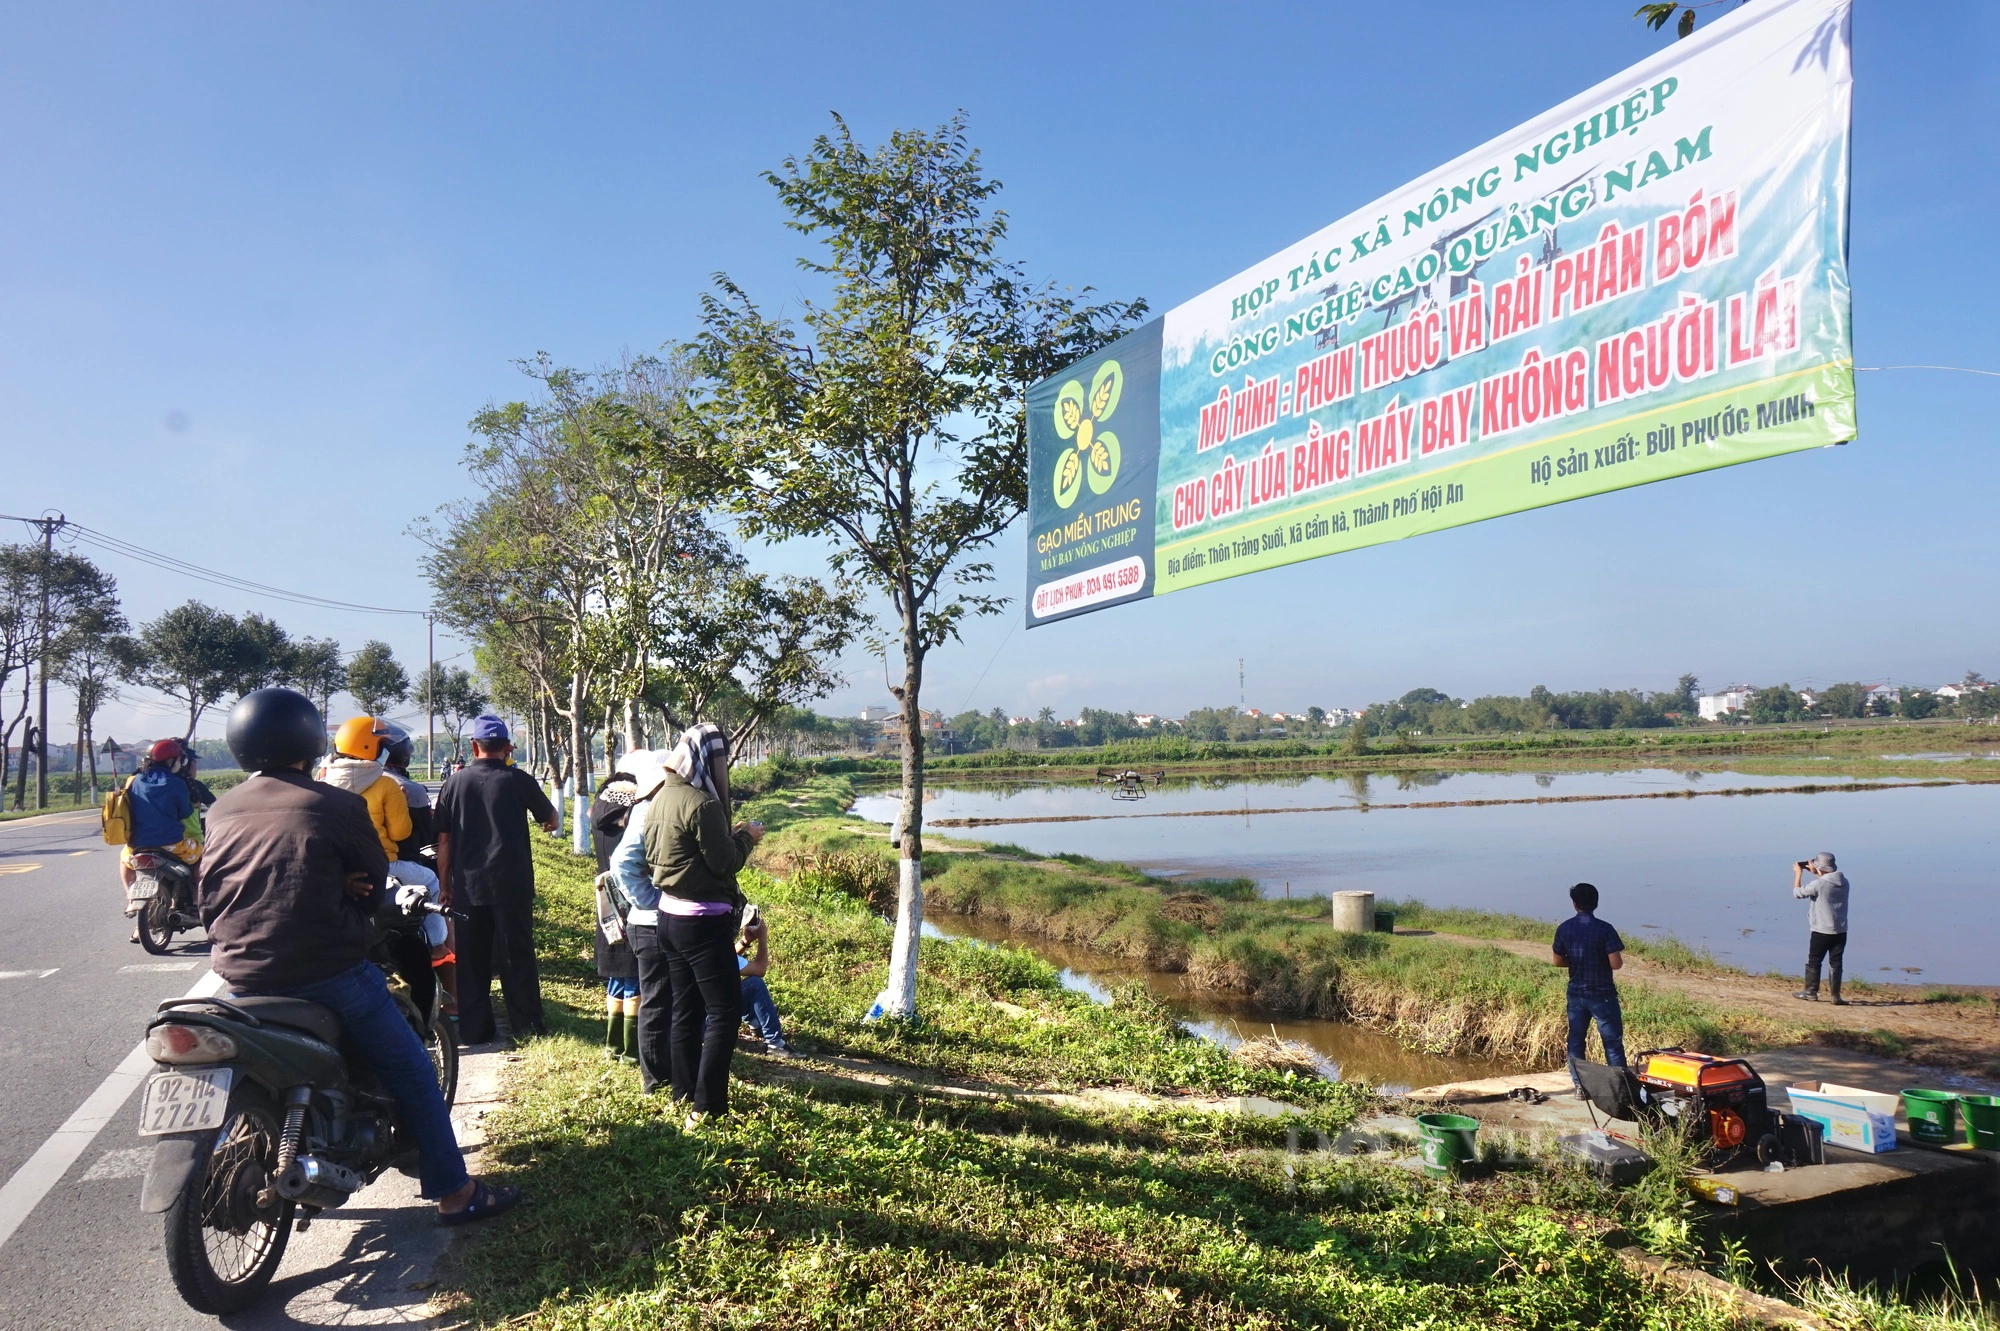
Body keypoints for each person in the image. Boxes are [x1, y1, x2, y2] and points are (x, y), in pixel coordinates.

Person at [197, 687, 518, 1224]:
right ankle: (455, 1193)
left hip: (237, 976)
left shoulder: (224, 807)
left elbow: (211, 893)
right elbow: (372, 888)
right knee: (413, 1067)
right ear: (308, 740)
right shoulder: (336, 804)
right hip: (327, 971)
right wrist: (347, 888)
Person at [640, 724, 762, 1127]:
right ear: (708, 759)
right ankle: (706, 1109)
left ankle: (682, 1093)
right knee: (725, 1012)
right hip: (703, 925)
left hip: (668, 918)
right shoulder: (702, 805)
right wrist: (747, 838)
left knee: (685, 1010)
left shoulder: (660, 797)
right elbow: (724, 863)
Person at [434, 715, 558, 1046]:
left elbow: (443, 841)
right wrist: (546, 824)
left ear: (473, 746)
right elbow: (551, 818)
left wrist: (445, 886)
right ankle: (528, 1026)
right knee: (516, 955)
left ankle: (476, 1030)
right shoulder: (518, 780)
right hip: (511, 885)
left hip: (468, 887)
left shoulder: (454, 784)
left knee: (471, 962)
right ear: (507, 748)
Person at [121, 738, 208, 942]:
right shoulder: (176, 783)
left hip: (137, 845)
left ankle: (131, 897)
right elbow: (185, 811)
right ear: (172, 761)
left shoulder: (135, 781)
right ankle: (196, 902)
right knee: (203, 858)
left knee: (124, 859)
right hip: (172, 844)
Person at [589, 761, 647, 1063]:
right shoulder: (630, 820)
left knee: (616, 976)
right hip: (630, 899)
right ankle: (632, 1050)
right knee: (634, 974)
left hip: (606, 900)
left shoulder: (599, 816)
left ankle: (613, 1046)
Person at [1552, 881, 1626, 1092]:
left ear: (1575, 904)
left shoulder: (1564, 928)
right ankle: (1619, 1089)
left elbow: (1557, 961)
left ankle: (1579, 1087)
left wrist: (1576, 961)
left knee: (1576, 1040)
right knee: (1612, 1043)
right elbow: (1616, 964)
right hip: (1603, 995)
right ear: (1596, 903)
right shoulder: (1606, 929)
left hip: (1576, 994)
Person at [1792, 852, 1851, 1004]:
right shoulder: (1844, 882)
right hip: (1840, 930)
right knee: (1836, 962)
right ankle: (1835, 996)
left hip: (1821, 930)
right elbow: (1826, 884)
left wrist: (1798, 874)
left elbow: (1797, 893)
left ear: (1819, 867)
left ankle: (1810, 992)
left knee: (1814, 960)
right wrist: (1818, 874)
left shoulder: (1818, 884)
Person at [736, 910, 791, 1057]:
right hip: (710, 1020)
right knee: (754, 985)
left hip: (695, 1016)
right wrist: (762, 938)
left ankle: (755, 1022)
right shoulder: (714, 949)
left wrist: (745, 941)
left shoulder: (697, 942)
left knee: (730, 981)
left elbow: (729, 959)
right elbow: (760, 969)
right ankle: (775, 1043)